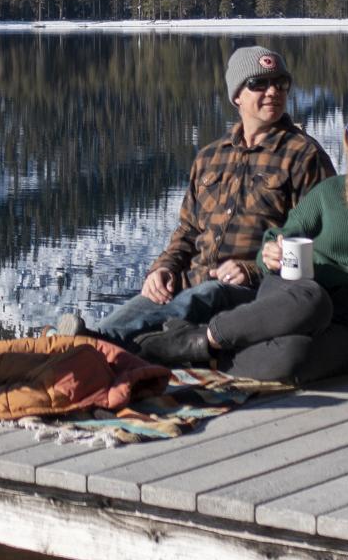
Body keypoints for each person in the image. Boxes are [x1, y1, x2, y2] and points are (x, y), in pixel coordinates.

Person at [138, 67, 348, 384]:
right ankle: (201, 338)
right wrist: (270, 252)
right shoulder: (332, 192)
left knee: (294, 358)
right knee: (313, 301)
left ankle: (197, 348)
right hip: (296, 294)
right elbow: (278, 237)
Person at [86, 45, 335, 350]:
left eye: (280, 83)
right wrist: (163, 268)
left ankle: (99, 346)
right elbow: (188, 230)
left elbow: (323, 242)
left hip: (251, 292)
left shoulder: (304, 156)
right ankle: (83, 343)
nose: (273, 91)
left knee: (202, 298)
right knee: (137, 307)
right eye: (259, 84)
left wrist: (252, 269)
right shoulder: (210, 156)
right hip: (190, 283)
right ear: (237, 96)